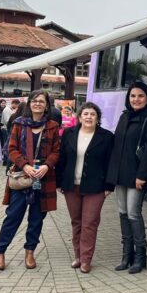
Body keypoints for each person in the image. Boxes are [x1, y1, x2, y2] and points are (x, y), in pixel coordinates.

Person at [0, 90, 61, 271]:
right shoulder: (19, 124)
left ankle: (30, 252)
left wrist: (47, 166)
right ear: (29, 104)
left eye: (41, 101)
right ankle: (0, 251)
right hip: (22, 177)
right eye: (34, 101)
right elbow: (11, 148)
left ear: (46, 106)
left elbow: (56, 151)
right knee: (13, 216)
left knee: (37, 218)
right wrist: (24, 165)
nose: (38, 104)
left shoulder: (53, 126)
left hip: (43, 178)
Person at [106, 82, 147, 274]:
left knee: (133, 214)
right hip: (120, 174)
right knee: (122, 213)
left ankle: (140, 257)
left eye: (140, 96)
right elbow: (116, 146)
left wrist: (142, 175)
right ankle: (126, 256)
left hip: (137, 176)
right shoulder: (125, 116)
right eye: (132, 96)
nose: (136, 99)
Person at [56, 102, 113, 273]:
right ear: (79, 117)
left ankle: (86, 259)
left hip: (96, 187)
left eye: (92, 114)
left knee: (89, 222)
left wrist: (109, 186)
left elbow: (111, 163)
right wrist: (59, 182)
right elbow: (61, 158)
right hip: (71, 185)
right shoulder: (69, 133)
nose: (89, 117)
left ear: (98, 118)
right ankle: (78, 256)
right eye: (85, 114)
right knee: (76, 222)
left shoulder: (107, 137)